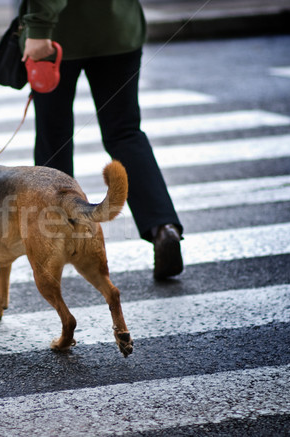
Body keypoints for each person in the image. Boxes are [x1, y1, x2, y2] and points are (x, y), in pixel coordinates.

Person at [19, 0, 183, 280]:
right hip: (119, 30)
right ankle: (162, 226)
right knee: (125, 132)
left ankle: (57, 239)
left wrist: (38, 27)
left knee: (53, 136)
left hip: (57, 36)